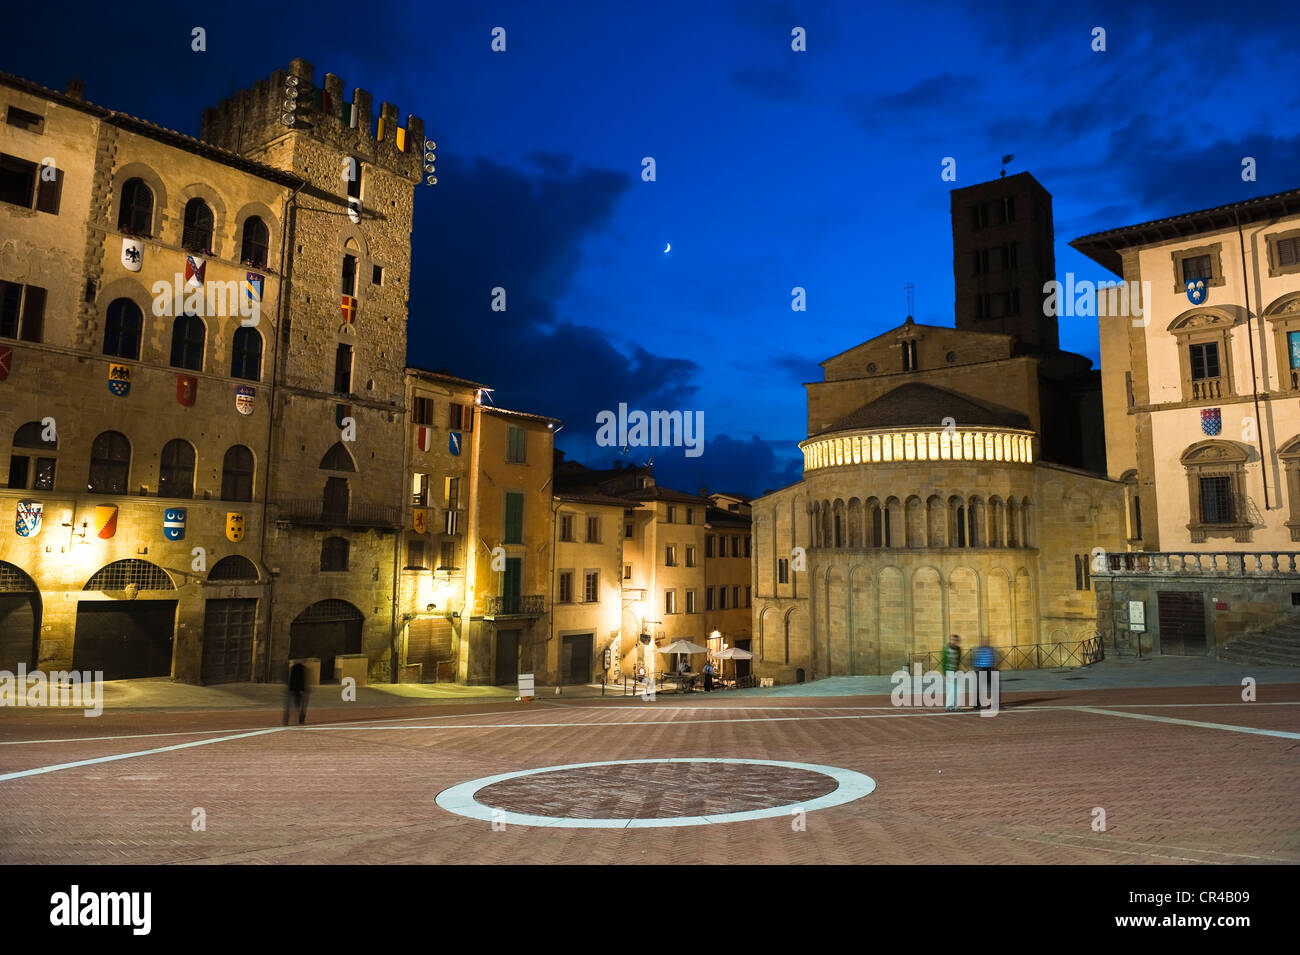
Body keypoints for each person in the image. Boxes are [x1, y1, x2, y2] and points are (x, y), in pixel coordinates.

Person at [973, 636, 996, 710]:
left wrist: (994, 666)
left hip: (989, 669)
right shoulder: (979, 650)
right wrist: (976, 668)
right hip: (981, 670)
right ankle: (977, 704)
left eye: (987, 641)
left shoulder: (991, 649)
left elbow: (993, 658)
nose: (986, 642)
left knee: (993, 687)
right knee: (980, 688)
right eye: (984, 641)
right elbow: (975, 660)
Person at [942, 634, 962, 711]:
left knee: (958, 688)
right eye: (953, 640)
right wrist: (944, 674)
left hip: (955, 671)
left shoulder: (958, 649)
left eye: (956, 640)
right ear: (950, 640)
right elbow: (943, 662)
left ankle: (957, 705)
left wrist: (958, 670)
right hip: (948, 671)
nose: (954, 642)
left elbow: (958, 661)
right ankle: (948, 705)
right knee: (952, 688)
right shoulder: (946, 649)